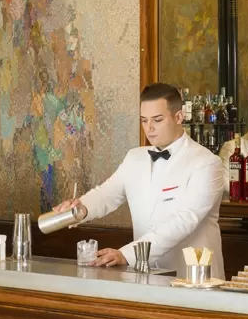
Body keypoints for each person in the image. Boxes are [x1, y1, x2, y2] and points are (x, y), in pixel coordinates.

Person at [53, 82, 226, 276]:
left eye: (157, 120)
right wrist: (80, 208)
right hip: (146, 278)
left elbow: (183, 221)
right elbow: (106, 194)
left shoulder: (206, 163)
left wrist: (127, 255)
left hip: (194, 279)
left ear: (179, 117)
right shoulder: (134, 157)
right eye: (144, 120)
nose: (149, 128)